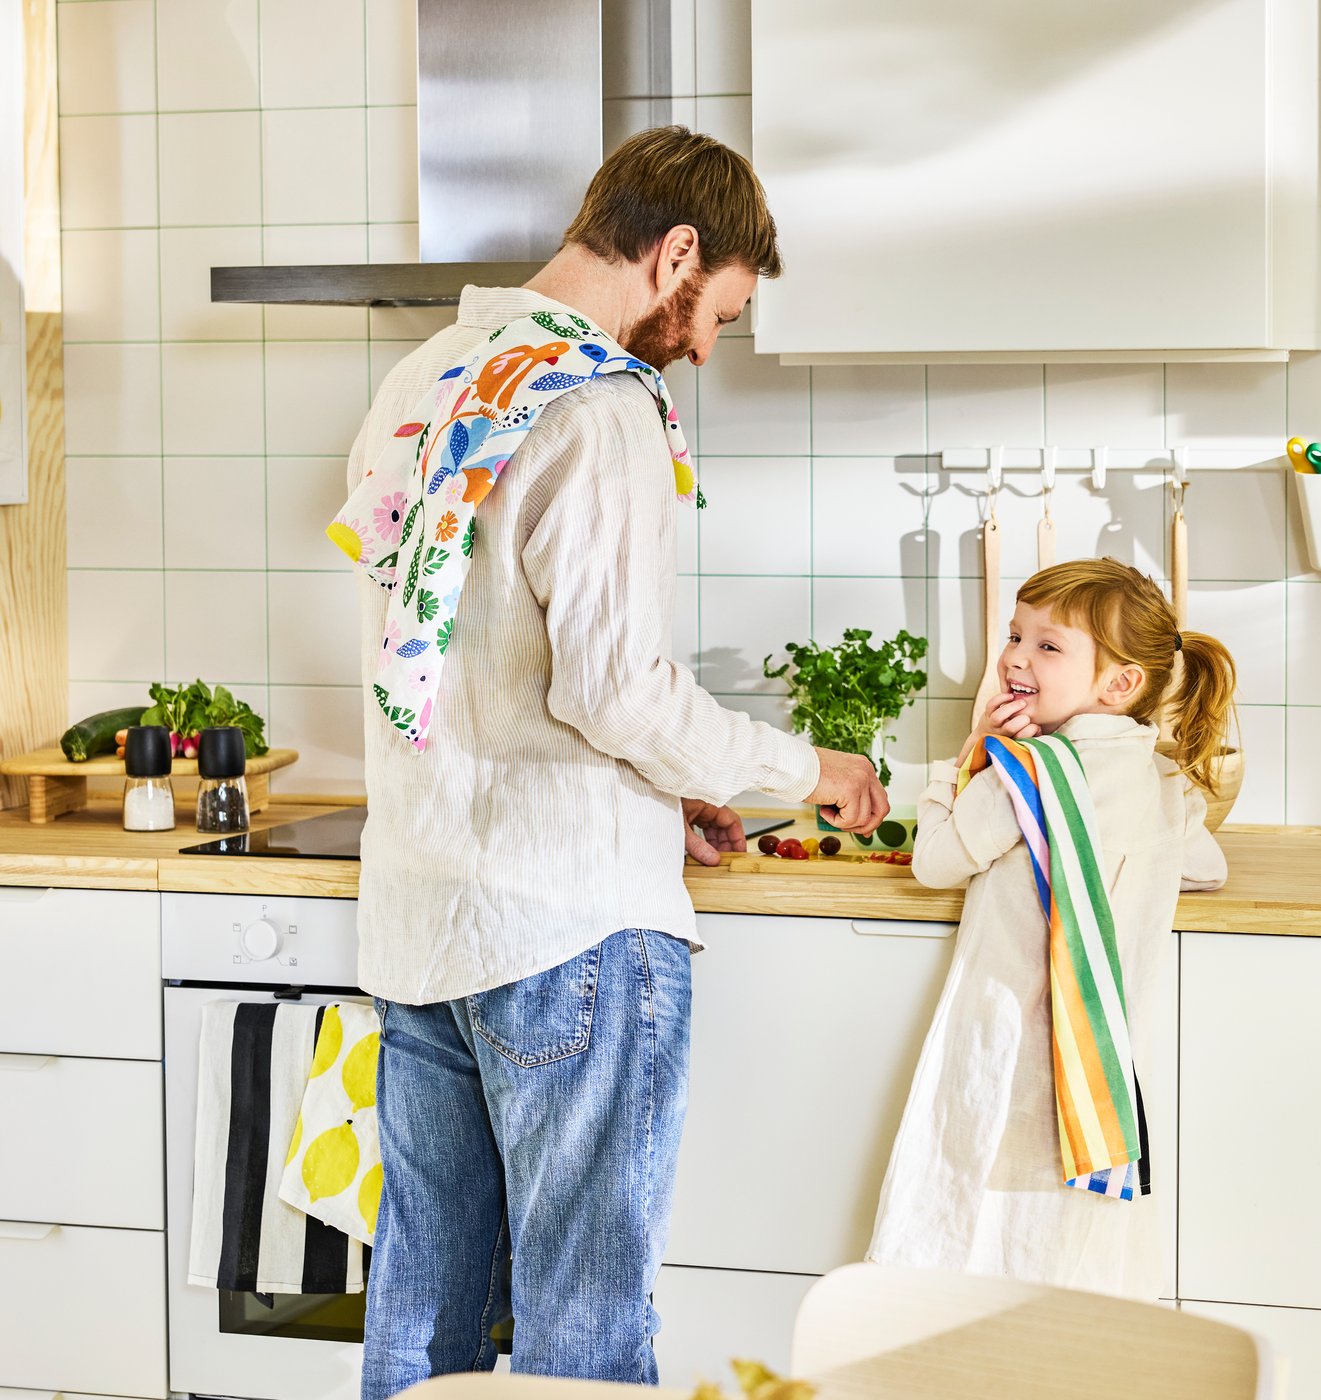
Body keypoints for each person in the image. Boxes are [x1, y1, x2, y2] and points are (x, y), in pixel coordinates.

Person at [340, 126, 889, 1396]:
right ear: (677, 252)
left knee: (423, 1329)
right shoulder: (594, 403)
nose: (702, 346)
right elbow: (612, 687)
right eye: (718, 313)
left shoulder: (427, 376)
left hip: (425, 919)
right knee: (580, 1339)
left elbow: (460, 658)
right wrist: (802, 767)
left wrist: (664, 785)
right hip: (567, 932)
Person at [868, 558, 1233, 1299]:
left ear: (1120, 683)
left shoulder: (1030, 770)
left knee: (971, 1235)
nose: (1014, 658)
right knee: (1064, 1258)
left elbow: (934, 861)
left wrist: (970, 751)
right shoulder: (1161, 780)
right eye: (1015, 635)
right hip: (1098, 1075)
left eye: (1047, 645)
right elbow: (1208, 867)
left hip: (1005, 1052)